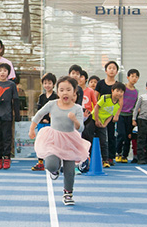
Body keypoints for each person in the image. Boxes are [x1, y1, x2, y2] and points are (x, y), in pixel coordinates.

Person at [28, 76, 90, 206]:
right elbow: (39, 114)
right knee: (50, 164)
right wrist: (32, 129)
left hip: (70, 140)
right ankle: (54, 171)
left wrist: (75, 120)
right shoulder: (52, 104)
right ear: (58, 92)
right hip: (54, 138)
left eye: (68, 90)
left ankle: (68, 193)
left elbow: (81, 128)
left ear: (74, 92)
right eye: (61, 90)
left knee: (69, 170)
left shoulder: (77, 108)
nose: (65, 93)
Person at [0, 63, 20, 169]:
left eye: (5, 70)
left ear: (8, 72)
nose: (2, 72)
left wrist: (17, 114)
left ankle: (7, 157)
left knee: (7, 137)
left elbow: (15, 100)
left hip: (7, 115)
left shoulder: (11, 85)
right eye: (0, 70)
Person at [93, 82, 125, 168]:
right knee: (89, 139)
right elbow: (96, 107)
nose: (119, 93)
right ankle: (86, 160)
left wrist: (104, 125)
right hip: (92, 120)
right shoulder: (105, 98)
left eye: (121, 92)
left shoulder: (117, 104)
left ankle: (105, 160)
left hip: (103, 122)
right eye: (117, 91)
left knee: (104, 142)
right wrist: (96, 120)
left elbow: (111, 115)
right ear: (112, 91)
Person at [94, 61, 120, 166]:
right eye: (110, 68)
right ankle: (99, 156)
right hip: (100, 114)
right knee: (99, 136)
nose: (112, 70)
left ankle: (110, 157)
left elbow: (120, 101)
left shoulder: (118, 85)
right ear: (106, 70)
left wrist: (116, 114)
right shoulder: (100, 83)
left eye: (114, 68)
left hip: (110, 114)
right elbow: (95, 97)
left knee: (111, 135)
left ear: (117, 71)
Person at [31, 73, 57, 171]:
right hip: (42, 122)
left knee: (51, 143)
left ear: (54, 84)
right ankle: (40, 162)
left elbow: (55, 110)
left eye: (49, 83)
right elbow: (39, 110)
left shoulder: (56, 96)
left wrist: (49, 119)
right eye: (45, 83)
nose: (47, 85)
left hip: (51, 123)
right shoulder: (41, 96)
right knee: (40, 142)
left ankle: (53, 162)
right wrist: (41, 119)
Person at [116, 69, 140, 163]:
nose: (134, 78)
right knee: (121, 134)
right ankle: (118, 153)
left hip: (130, 116)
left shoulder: (136, 92)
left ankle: (125, 155)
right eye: (132, 76)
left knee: (128, 137)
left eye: (136, 77)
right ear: (128, 77)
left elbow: (135, 105)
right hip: (121, 114)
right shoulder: (123, 88)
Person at [79, 70, 97, 172]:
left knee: (87, 137)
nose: (80, 78)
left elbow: (95, 104)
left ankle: (87, 158)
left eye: (82, 77)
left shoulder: (90, 91)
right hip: (77, 116)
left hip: (88, 116)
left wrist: (92, 115)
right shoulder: (74, 90)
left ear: (86, 79)